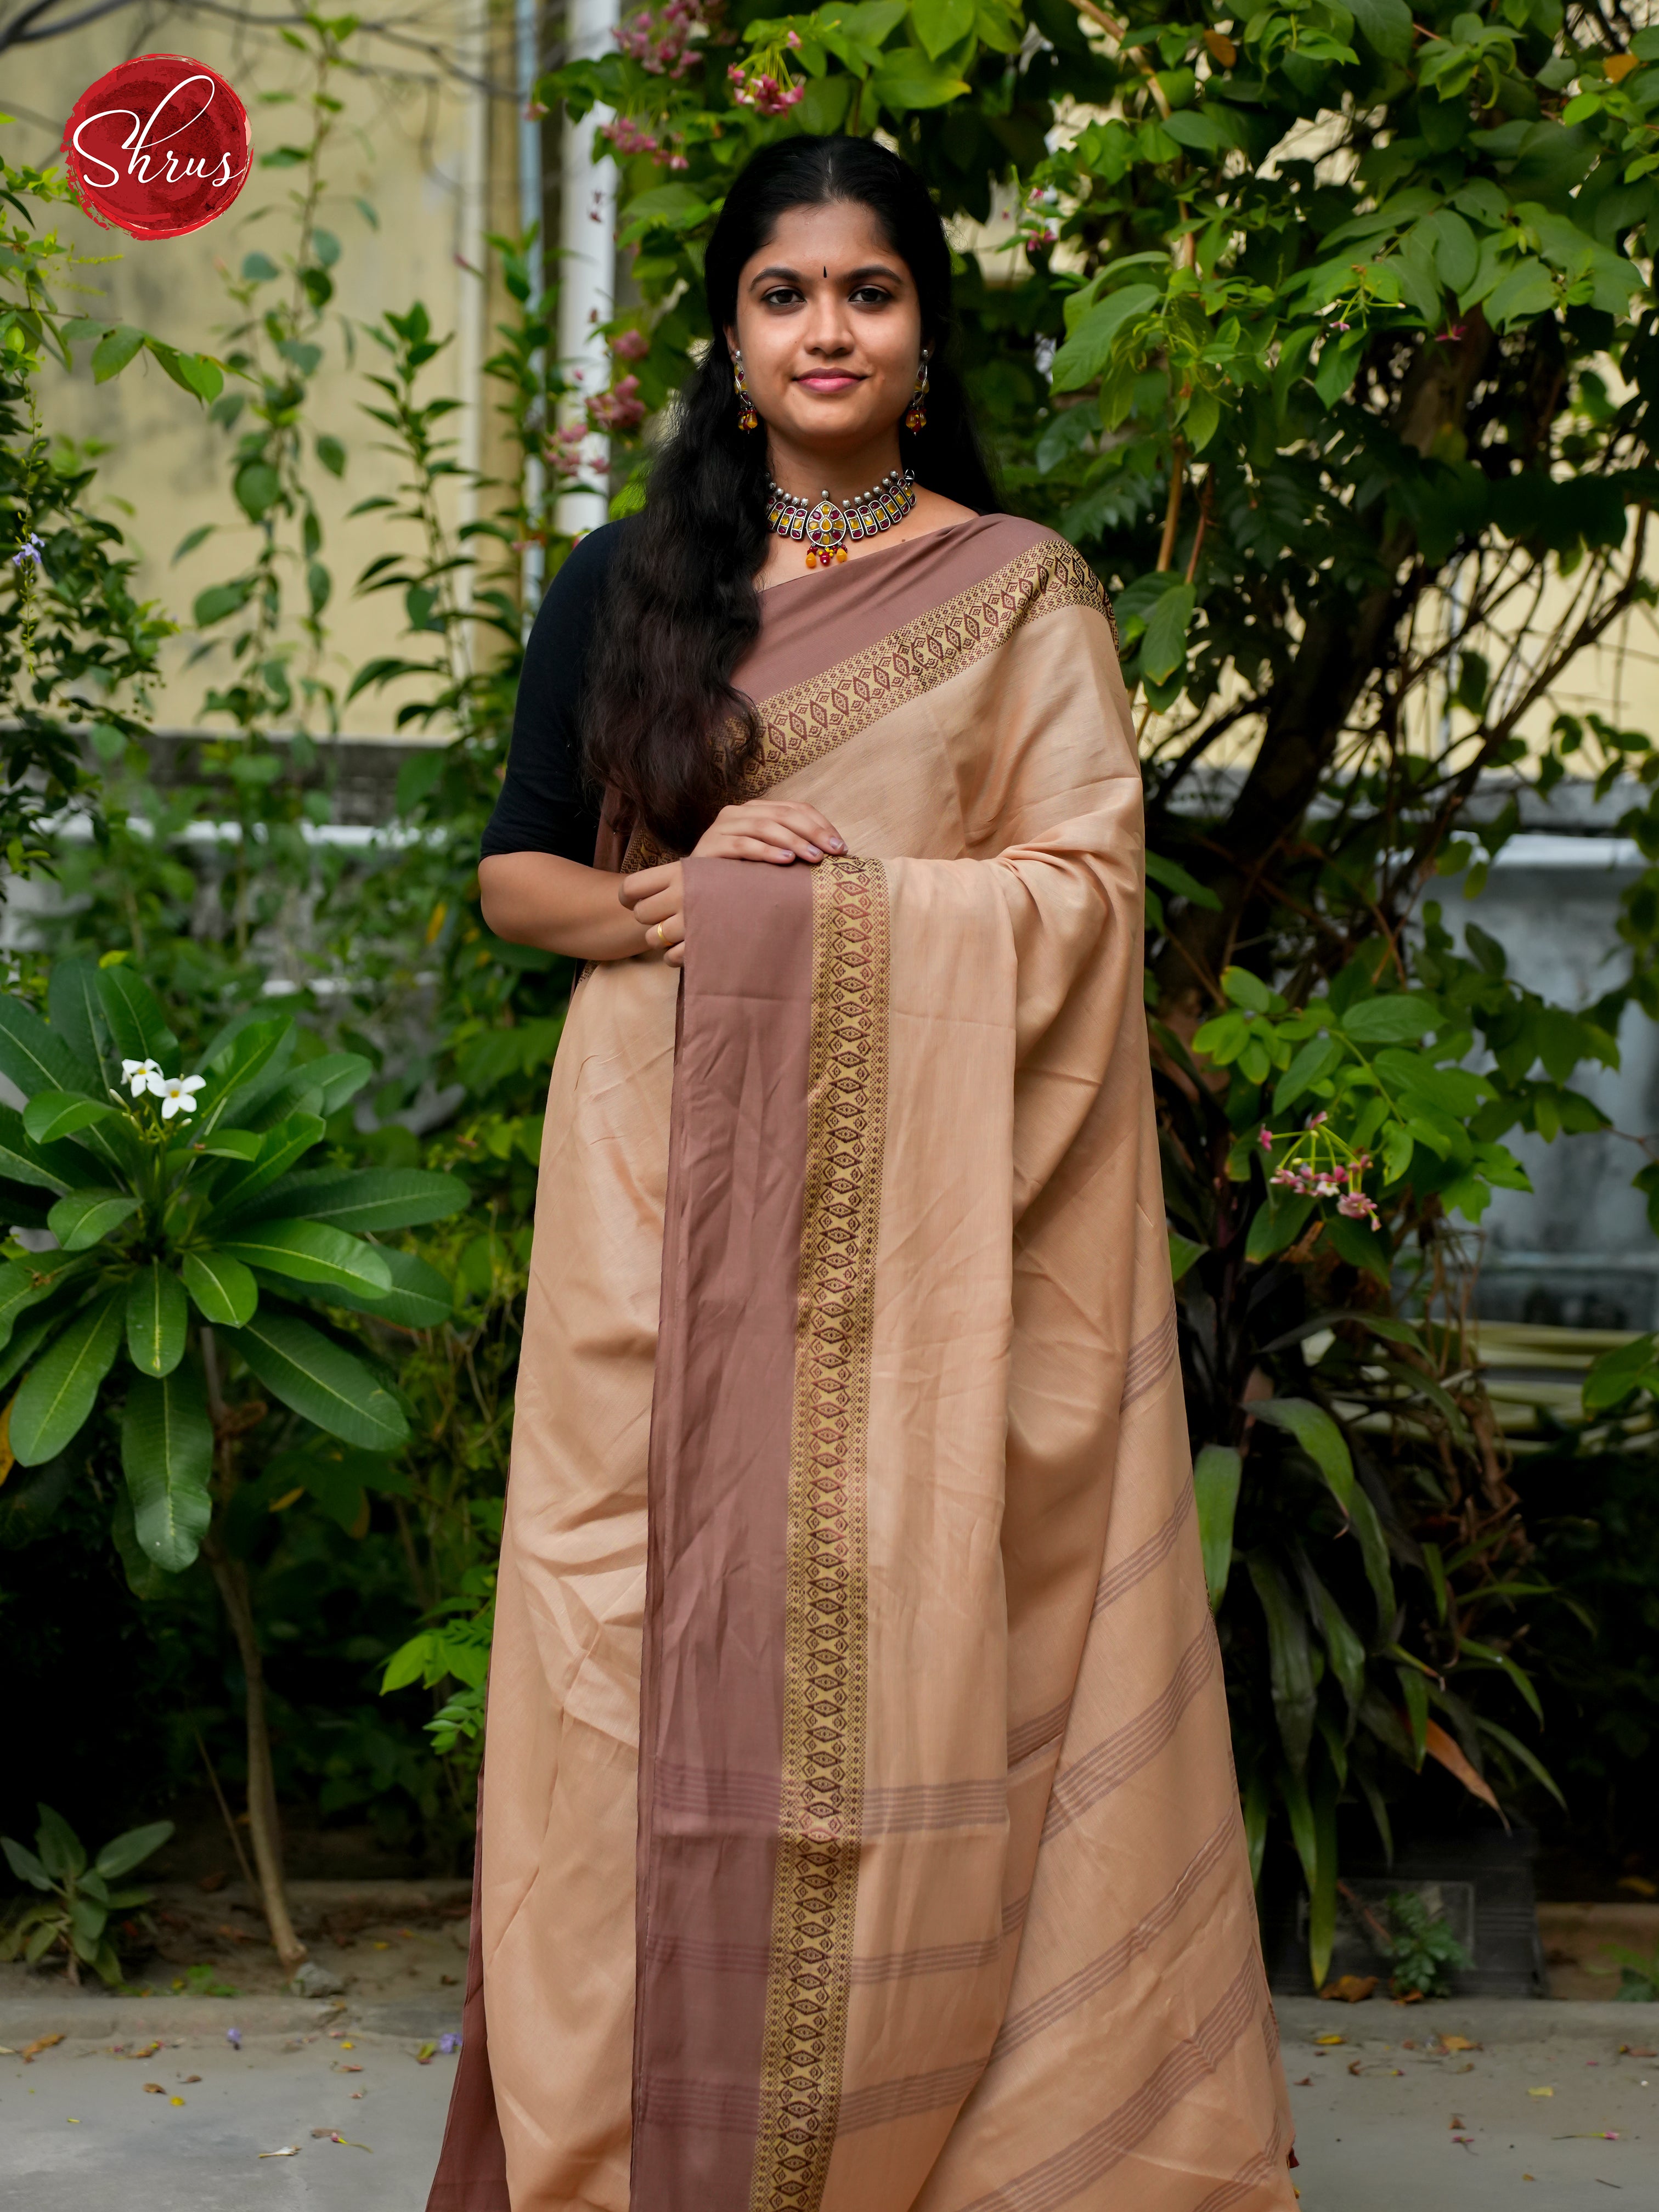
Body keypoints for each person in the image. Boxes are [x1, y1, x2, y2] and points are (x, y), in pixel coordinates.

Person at [428, 132, 1295, 2212]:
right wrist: (686, 900)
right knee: (614, 1648)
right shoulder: (631, 587)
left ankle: (927, 2138)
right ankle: (642, 2147)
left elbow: (1081, 899)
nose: (830, 330)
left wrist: (838, 916)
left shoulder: (1016, 595)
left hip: (918, 1269)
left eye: (872, 293)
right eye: (787, 295)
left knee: (921, 1659)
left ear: (924, 335)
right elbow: (515, 880)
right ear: (731, 340)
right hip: (654, 1221)